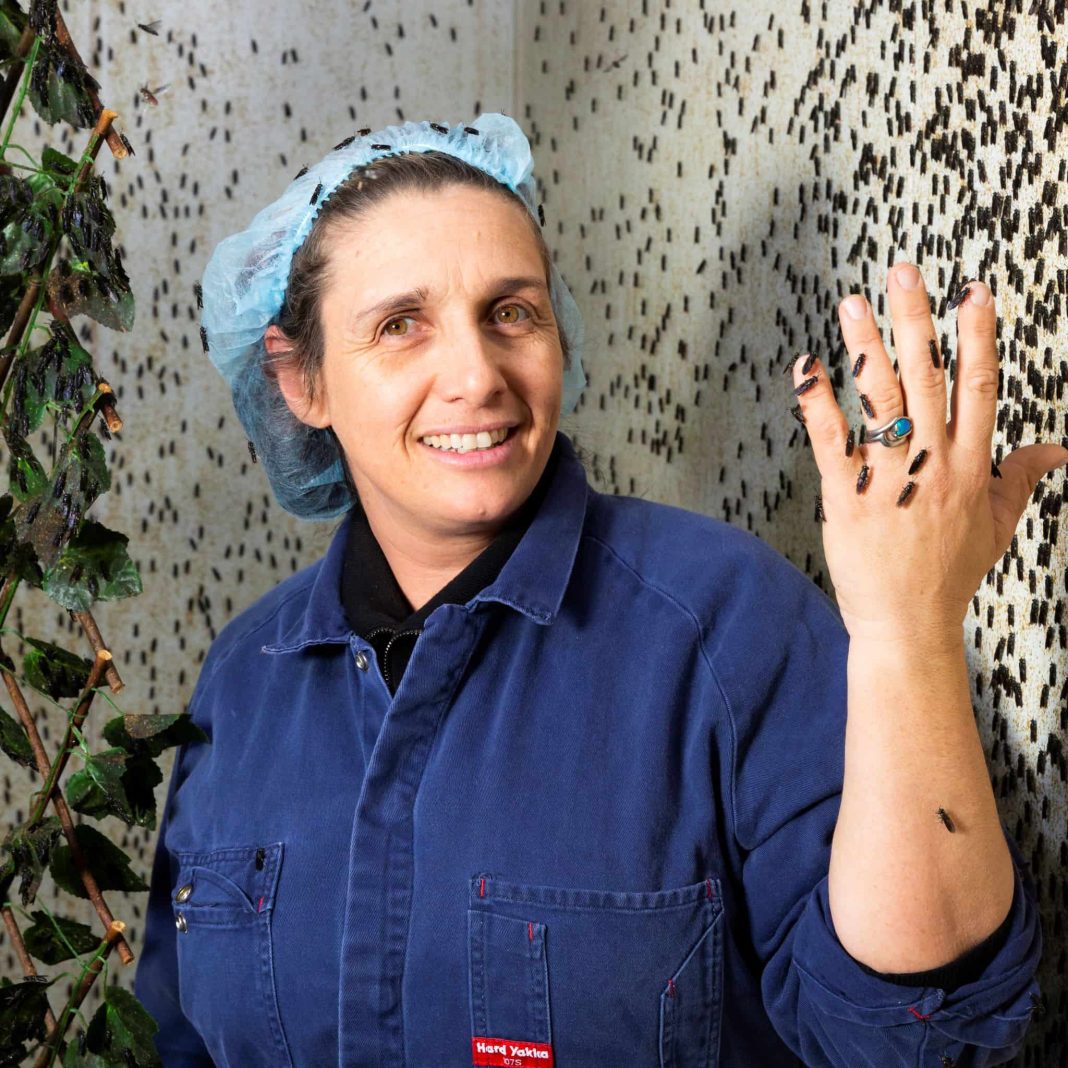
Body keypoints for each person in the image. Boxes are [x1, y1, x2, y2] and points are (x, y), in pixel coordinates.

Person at [134, 113, 1056, 1067]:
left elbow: (912, 1040)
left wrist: (910, 627)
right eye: (401, 326)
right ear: (301, 380)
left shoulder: (728, 626)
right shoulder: (244, 679)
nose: (475, 375)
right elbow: (177, 1037)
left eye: (511, 312)